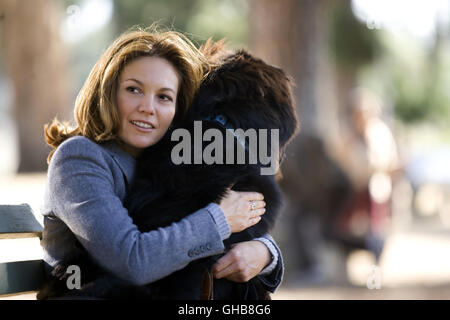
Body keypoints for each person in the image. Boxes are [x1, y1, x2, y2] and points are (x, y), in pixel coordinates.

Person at [39, 27, 283, 298]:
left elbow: (226, 222)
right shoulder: (80, 159)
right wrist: (219, 219)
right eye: (134, 90)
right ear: (107, 92)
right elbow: (133, 261)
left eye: (164, 97)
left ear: (180, 107)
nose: (148, 107)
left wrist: (266, 254)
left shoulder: (170, 160)